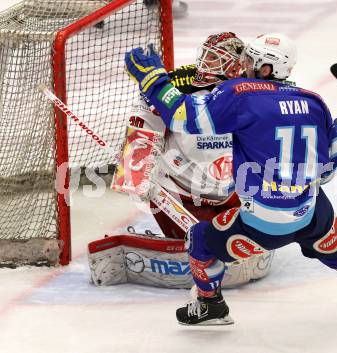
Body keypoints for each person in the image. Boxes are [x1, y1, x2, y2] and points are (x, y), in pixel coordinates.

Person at [124, 33, 337, 325]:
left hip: (266, 223)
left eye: (250, 60)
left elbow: (185, 117)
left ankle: (211, 306)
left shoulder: (241, 93)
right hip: (311, 211)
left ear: (265, 69)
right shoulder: (313, 102)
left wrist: (153, 79)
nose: (243, 64)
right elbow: (326, 171)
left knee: (199, 239)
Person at [99, 32, 273, 289]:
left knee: (246, 234)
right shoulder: (176, 84)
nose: (205, 64)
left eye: (214, 59)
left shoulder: (250, 89)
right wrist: (135, 173)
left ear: (236, 65)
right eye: (205, 56)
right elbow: (145, 124)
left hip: (232, 188)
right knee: (202, 243)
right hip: (181, 189)